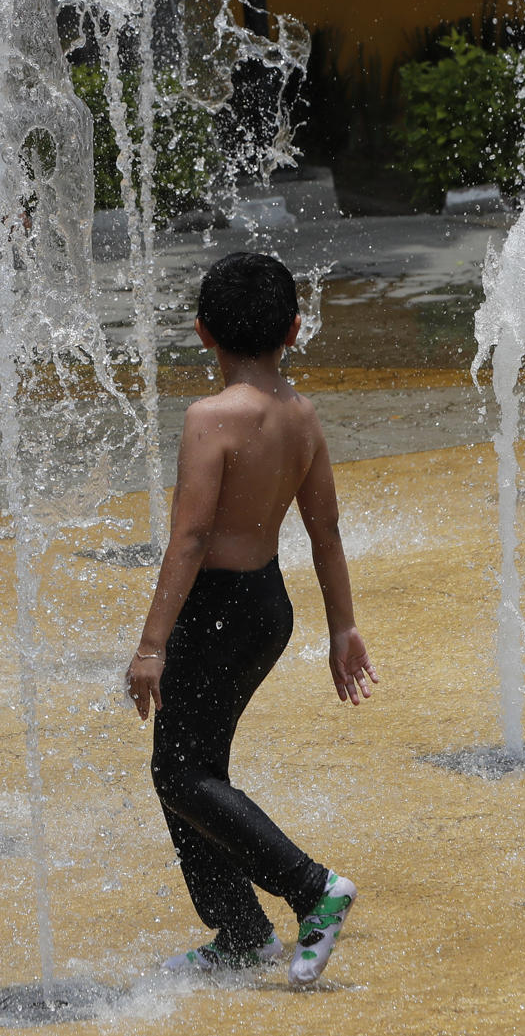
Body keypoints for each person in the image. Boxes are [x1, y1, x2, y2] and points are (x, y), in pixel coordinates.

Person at [123, 251, 378, 986]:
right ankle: (237, 930)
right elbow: (324, 530)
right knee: (189, 768)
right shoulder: (301, 417)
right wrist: (342, 626)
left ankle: (311, 887)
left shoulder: (211, 418)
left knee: (180, 768)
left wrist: (150, 643)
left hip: (216, 609)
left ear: (203, 332)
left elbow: (192, 536)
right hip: (268, 607)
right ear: (293, 330)